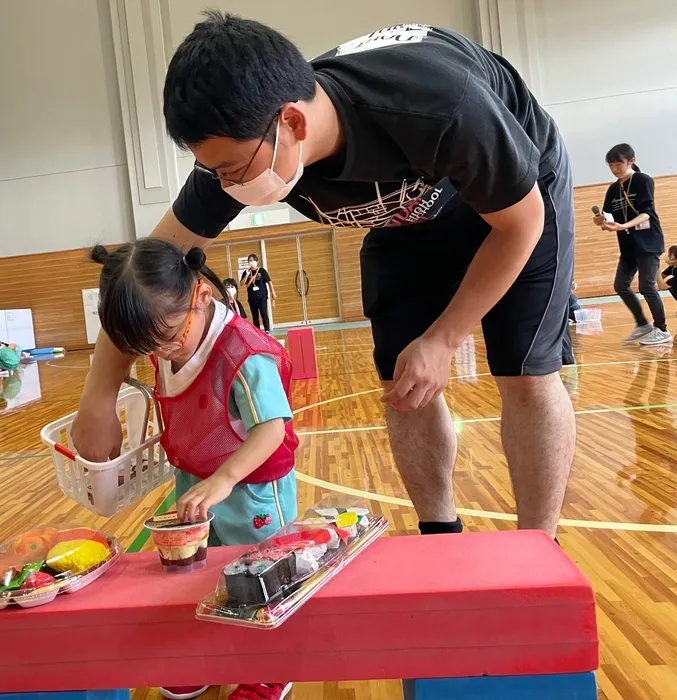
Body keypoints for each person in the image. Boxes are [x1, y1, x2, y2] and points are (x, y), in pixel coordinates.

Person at [73, 14, 576, 543]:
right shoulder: (241, 146)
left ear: (292, 122)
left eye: (232, 169)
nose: (224, 185)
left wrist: (445, 338)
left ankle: (538, 548)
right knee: (403, 382)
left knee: (524, 368)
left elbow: (520, 224)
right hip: (404, 215)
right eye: (213, 170)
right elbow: (145, 273)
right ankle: (440, 534)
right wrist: (99, 396)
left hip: (519, 198)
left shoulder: (439, 106)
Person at [90, 239, 297, 700]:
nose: (161, 353)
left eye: (167, 339)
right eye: (147, 346)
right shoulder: (167, 343)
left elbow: (272, 431)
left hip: (253, 485)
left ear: (202, 297)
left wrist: (224, 479)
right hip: (197, 481)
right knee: (202, 572)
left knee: (262, 572)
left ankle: (269, 665)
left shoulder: (245, 354)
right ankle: (209, 654)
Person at [593, 144, 671, 345]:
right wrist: (601, 221)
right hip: (627, 245)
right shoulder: (613, 188)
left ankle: (662, 329)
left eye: (618, 162)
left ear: (631, 161)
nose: (614, 168)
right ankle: (642, 324)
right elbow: (608, 215)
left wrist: (623, 225)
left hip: (648, 242)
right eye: (611, 164)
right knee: (621, 285)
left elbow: (647, 213)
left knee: (647, 286)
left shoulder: (642, 180)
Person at [240, 254, 276, 333]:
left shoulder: (262, 270)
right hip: (252, 298)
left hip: (262, 296)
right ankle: (257, 331)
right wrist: (246, 274)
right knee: (255, 315)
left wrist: (272, 292)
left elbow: (269, 282)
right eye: (250, 260)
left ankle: (267, 330)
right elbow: (242, 284)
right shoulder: (246, 272)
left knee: (264, 313)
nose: (251, 262)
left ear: (257, 261)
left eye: (253, 260)